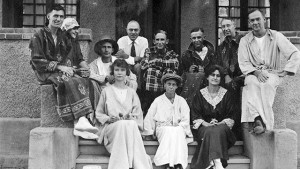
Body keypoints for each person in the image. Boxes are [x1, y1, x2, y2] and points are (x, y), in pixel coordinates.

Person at [29, 5, 98, 139]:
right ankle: (81, 120)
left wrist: (70, 69)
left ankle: (81, 121)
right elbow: (36, 61)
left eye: (61, 16)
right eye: (55, 16)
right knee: (68, 80)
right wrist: (61, 68)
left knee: (80, 79)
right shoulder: (38, 35)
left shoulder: (63, 36)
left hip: (60, 71)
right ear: (48, 16)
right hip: (45, 72)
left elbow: (68, 58)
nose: (58, 19)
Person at [238, 9, 300, 134]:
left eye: (258, 19)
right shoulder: (245, 40)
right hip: (253, 73)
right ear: (249, 23)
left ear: (264, 20)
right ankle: (257, 119)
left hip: (271, 73)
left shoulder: (276, 36)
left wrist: (286, 71)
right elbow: (243, 61)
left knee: (267, 85)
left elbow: (294, 53)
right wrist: (256, 73)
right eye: (252, 20)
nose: (255, 22)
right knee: (250, 83)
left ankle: (265, 123)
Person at [94, 59, 152, 169]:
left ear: (127, 73)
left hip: (129, 128)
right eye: (116, 70)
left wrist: (130, 118)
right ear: (112, 72)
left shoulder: (132, 92)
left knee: (129, 124)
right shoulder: (106, 91)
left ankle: (133, 163)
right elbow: (99, 113)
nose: (119, 73)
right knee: (122, 124)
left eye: (122, 70)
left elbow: (138, 115)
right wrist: (109, 118)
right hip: (111, 128)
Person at [190, 65, 237, 169]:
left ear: (221, 78)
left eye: (218, 76)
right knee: (210, 130)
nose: (215, 78)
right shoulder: (200, 94)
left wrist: (219, 123)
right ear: (207, 77)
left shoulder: (226, 94)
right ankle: (218, 162)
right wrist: (205, 123)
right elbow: (195, 114)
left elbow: (231, 115)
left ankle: (212, 162)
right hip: (204, 127)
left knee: (216, 130)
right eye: (212, 75)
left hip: (223, 128)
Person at [143, 73, 193, 169]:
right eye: (169, 84)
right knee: (169, 131)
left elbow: (186, 118)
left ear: (177, 87)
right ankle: (169, 163)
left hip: (178, 128)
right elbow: (150, 116)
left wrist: (179, 126)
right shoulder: (158, 100)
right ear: (164, 85)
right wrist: (149, 132)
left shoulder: (181, 101)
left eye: (173, 85)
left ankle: (178, 163)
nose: (171, 87)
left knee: (176, 131)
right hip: (163, 128)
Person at [216, 18, 244, 140]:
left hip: (243, 76)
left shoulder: (243, 42)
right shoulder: (221, 47)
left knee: (232, 89)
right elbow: (219, 64)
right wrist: (226, 75)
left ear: (234, 25)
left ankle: (235, 132)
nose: (226, 28)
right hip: (227, 78)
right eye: (223, 27)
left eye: (228, 25)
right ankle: (226, 130)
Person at [140, 30, 179, 113]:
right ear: (154, 41)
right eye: (157, 40)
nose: (160, 42)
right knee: (152, 71)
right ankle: (150, 105)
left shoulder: (171, 53)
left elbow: (175, 64)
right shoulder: (149, 51)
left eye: (162, 40)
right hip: (151, 81)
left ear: (167, 41)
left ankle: (165, 103)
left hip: (163, 79)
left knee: (169, 71)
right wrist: (161, 65)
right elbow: (143, 65)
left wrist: (155, 62)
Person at [179, 27, 216, 106]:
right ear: (190, 39)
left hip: (210, 89)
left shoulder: (213, 53)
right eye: (194, 38)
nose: (196, 40)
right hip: (193, 92)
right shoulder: (186, 55)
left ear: (204, 37)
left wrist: (206, 72)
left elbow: (218, 70)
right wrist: (189, 72)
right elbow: (180, 75)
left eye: (199, 37)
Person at [117, 20, 149, 92]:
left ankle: (139, 90)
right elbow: (120, 58)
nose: (133, 32)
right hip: (125, 66)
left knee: (138, 66)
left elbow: (142, 58)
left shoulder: (144, 41)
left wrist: (126, 56)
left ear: (139, 30)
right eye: (131, 30)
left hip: (139, 67)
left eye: (136, 30)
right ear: (126, 30)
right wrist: (134, 59)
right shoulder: (121, 41)